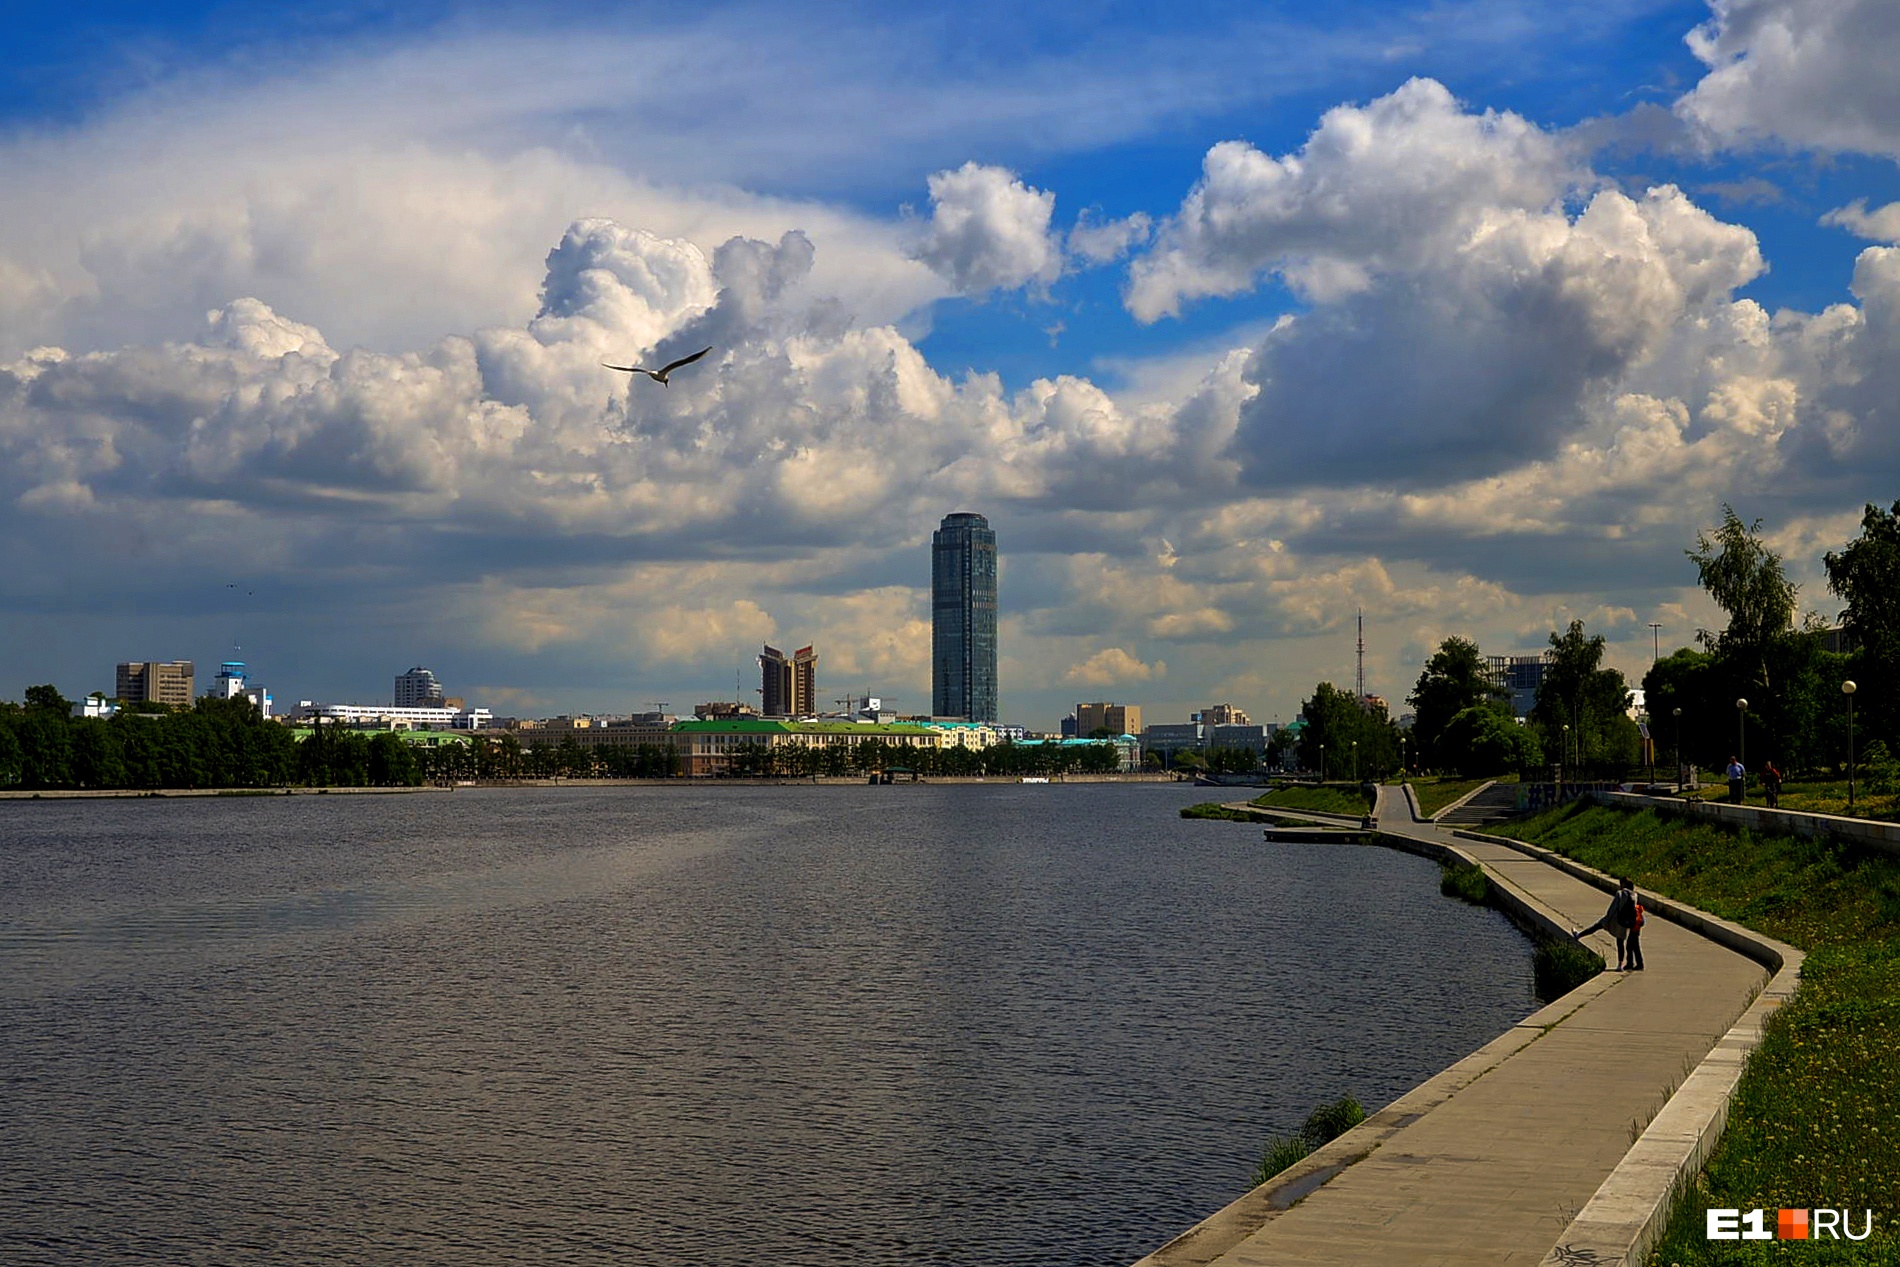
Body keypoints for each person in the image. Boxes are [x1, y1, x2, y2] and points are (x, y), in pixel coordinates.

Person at [1574, 878, 1638, 970]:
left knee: (1596, 926)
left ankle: (1579, 935)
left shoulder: (1620, 893)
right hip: (1625, 922)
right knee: (1620, 942)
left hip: (1616, 919)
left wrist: (1607, 919)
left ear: (1624, 884)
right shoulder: (1634, 896)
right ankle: (1620, 965)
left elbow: (1613, 907)